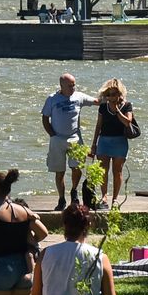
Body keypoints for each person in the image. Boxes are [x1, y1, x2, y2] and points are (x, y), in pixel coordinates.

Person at [41, 73, 99, 211]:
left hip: (75, 138)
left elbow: (97, 101)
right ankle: (61, 199)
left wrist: (110, 95)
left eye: (74, 85)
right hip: (57, 139)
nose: (73, 88)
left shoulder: (79, 96)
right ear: (61, 86)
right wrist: (52, 135)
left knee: (77, 168)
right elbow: (45, 118)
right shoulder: (52, 99)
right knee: (59, 171)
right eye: (70, 85)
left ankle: (74, 191)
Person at [91, 78, 136, 209]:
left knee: (118, 171)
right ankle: (104, 197)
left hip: (120, 142)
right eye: (109, 94)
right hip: (104, 141)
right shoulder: (103, 107)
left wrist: (117, 110)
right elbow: (98, 125)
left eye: (115, 94)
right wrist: (94, 144)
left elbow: (128, 122)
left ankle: (115, 199)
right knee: (103, 171)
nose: (112, 97)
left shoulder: (127, 105)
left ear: (120, 93)